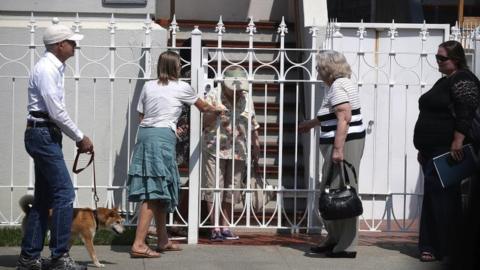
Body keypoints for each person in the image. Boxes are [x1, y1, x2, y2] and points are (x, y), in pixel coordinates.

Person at [127, 51, 225, 258]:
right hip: (162, 137)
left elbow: (141, 115)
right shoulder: (182, 87)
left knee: (160, 189)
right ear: (175, 67)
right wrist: (217, 110)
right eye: (179, 64)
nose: (181, 67)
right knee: (153, 192)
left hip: (145, 133)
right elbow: (203, 106)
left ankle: (162, 240)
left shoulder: (148, 85)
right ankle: (138, 244)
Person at [16, 24, 93, 270]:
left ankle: (29, 258)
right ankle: (59, 257)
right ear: (60, 45)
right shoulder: (48, 69)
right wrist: (80, 137)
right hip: (43, 133)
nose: (75, 46)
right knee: (64, 193)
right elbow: (56, 111)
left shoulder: (53, 67)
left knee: (45, 198)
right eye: (71, 42)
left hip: (44, 133)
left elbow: (55, 113)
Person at [413, 40, 480, 263]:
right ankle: (445, 246)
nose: (438, 62)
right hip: (432, 150)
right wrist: (423, 148)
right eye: (437, 57)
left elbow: (466, 111)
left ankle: (435, 247)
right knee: (439, 197)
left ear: (457, 59)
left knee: (440, 198)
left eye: (443, 58)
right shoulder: (446, 81)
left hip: (446, 150)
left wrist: (457, 141)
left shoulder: (463, 79)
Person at [299, 50, 365, 258]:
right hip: (344, 142)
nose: (317, 70)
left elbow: (344, 116)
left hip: (345, 144)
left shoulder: (337, 86)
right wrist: (311, 124)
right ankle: (334, 239)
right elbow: (332, 115)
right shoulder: (338, 85)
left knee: (341, 194)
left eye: (319, 67)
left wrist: (338, 149)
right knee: (332, 192)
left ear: (328, 69)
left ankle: (346, 246)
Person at [202, 67, 261, 241]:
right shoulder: (213, 94)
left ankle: (226, 225)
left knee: (232, 188)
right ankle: (214, 227)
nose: (237, 91)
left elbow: (252, 122)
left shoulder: (246, 97)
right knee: (214, 186)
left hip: (239, 149)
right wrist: (214, 113)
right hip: (214, 147)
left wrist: (256, 144)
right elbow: (202, 121)